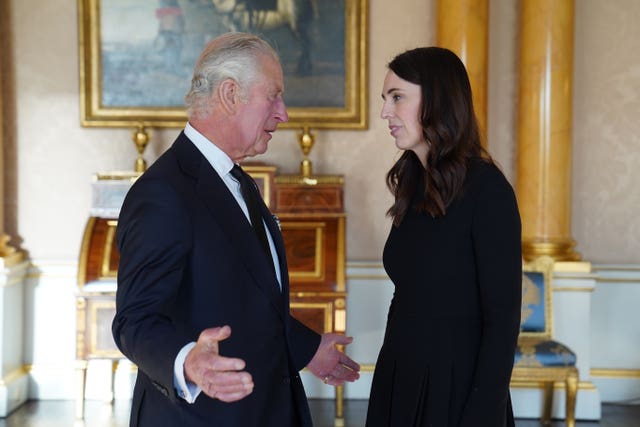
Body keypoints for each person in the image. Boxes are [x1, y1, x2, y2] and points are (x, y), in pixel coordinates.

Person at [113, 32, 360, 427]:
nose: (284, 113)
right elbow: (135, 320)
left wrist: (309, 349)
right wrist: (188, 362)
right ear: (230, 94)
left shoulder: (237, 179)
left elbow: (249, 298)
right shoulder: (163, 193)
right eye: (273, 96)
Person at [366, 47, 522, 427]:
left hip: (459, 391)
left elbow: (502, 321)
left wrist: (483, 413)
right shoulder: (413, 183)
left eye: (397, 97)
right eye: (386, 99)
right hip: (400, 377)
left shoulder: (488, 190)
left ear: (437, 100)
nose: (386, 112)